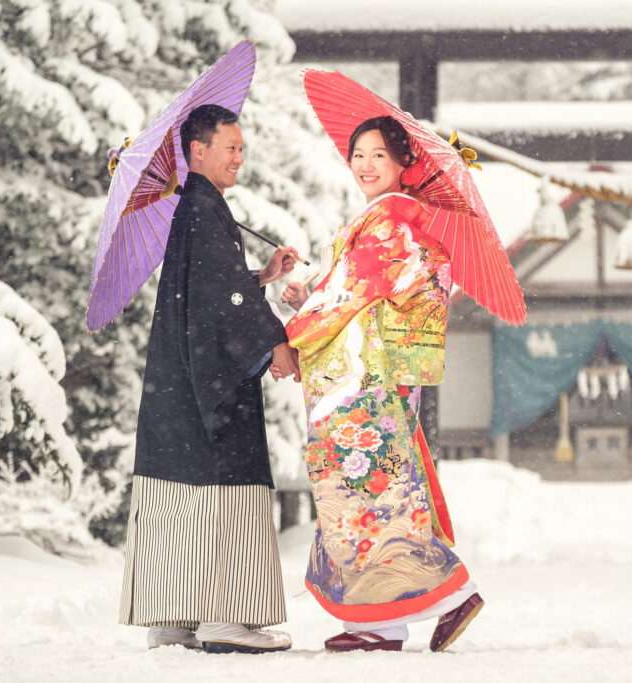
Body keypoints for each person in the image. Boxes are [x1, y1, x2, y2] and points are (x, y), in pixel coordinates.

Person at [278, 116, 483, 653]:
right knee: (377, 491)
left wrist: (305, 318)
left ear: (402, 165)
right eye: (359, 156)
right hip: (368, 376)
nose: (366, 166)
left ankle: (429, 598)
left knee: (370, 492)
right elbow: (348, 293)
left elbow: (354, 295)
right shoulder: (385, 222)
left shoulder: (392, 223)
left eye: (379, 157)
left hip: (362, 384)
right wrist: (311, 298)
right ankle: (391, 615)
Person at [118, 104, 301, 654]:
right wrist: (275, 342)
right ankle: (225, 616)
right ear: (198, 150)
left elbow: (215, 288)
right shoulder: (200, 208)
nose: (239, 158)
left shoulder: (192, 208)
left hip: (179, 380)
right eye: (231, 147)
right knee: (222, 484)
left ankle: (174, 617)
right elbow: (225, 296)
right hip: (209, 388)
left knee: (179, 487)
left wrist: (263, 276)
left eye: (242, 148)